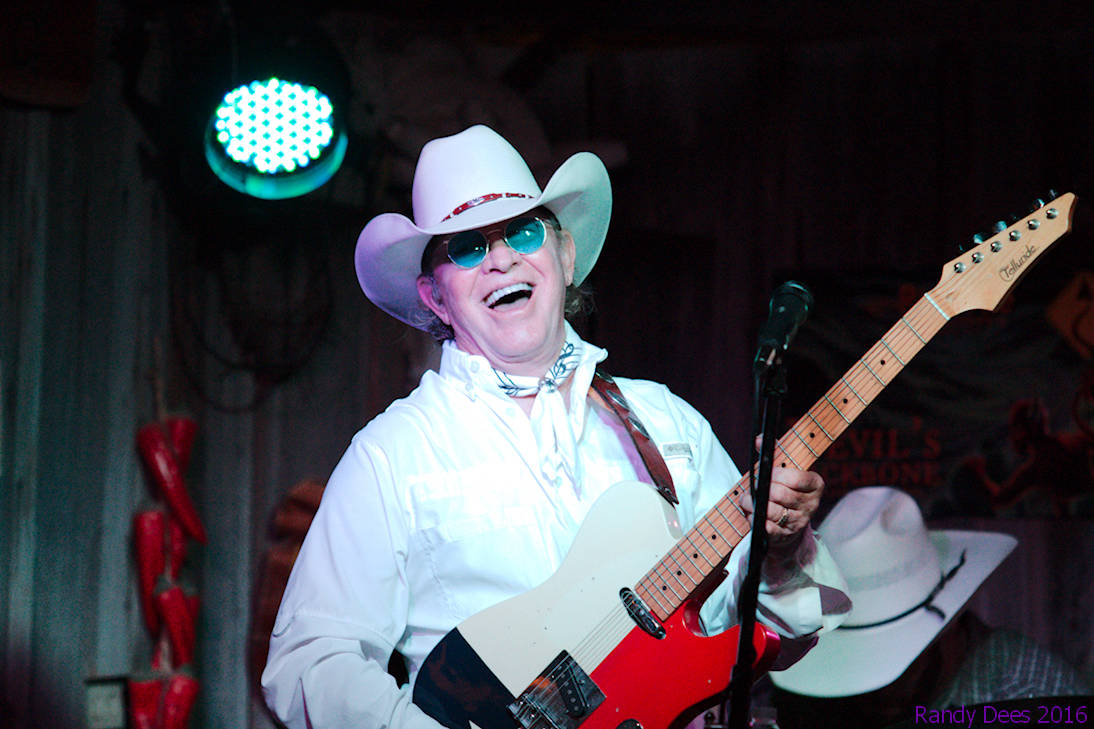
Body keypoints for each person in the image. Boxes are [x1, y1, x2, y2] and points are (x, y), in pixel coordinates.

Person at [261, 124, 851, 729]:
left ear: (565, 258)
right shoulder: (393, 453)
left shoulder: (665, 422)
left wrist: (780, 552)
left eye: (523, 231)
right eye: (466, 247)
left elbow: (770, 637)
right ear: (435, 297)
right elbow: (311, 661)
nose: (501, 258)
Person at [770, 486, 1092, 728]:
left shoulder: (1027, 696)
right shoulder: (810, 707)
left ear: (949, 631)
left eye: (899, 663)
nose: (879, 694)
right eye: (855, 662)